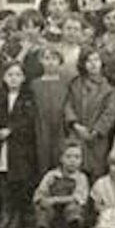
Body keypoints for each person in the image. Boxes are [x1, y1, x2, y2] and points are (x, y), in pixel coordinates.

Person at [0, 61, 37, 228]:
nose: (13, 79)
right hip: (0, 145)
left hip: (19, 145)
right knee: (3, 180)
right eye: (10, 75)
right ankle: (5, 212)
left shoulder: (28, 98)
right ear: (4, 78)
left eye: (17, 75)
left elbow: (29, 120)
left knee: (18, 180)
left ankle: (17, 214)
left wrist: (11, 130)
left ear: (23, 78)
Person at [65, 48, 115, 179]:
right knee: (75, 169)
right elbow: (68, 105)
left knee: (97, 171)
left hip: (97, 137)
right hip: (77, 133)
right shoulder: (75, 84)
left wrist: (96, 130)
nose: (93, 64)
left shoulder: (109, 88)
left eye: (96, 60)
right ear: (83, 64)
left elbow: (110, 113)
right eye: (88, 61)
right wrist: (76, 125)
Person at [33, 139, 90, 228]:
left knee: (74, 209)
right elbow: (40, 192)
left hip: (70, 213)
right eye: (68, 156)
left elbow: (79, 197)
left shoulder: (81, 178)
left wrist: (55, 200)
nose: (73, 160)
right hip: (54, 212)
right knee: (42, 209)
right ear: (61, 159)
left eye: (77, 157)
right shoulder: (52, 175)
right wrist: (42, 200)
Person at [31, 47, 71, 175]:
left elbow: (68, 105)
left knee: (59, 157)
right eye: (47, 58)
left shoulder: (66, 84)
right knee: (42, 158)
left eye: (54, 58)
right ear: (41, 61)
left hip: (60, 127)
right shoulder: (35, 84)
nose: (50, 62)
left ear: (60, 61)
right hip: (41, 127)